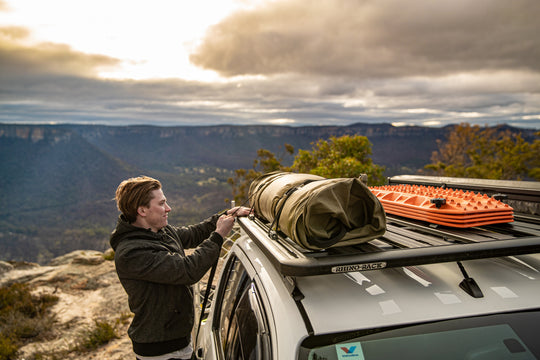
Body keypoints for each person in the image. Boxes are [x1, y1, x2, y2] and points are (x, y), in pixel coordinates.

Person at [110, 175, 252, 360]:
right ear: (142, 210)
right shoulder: (132, 253)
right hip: (160, 349)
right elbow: (188, 270)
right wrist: (218, 235)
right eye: (161, 204)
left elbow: (193, 234)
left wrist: (226, 216)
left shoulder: (160, 230)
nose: (168, 208)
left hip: (176, 340)